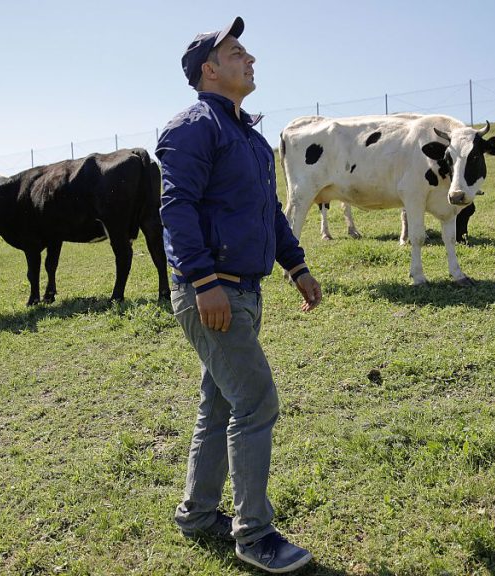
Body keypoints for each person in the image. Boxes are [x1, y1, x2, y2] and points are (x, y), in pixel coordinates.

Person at [156, 16, 322, 575]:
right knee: (256, 402)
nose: (250, 60)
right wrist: (203, 282)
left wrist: (297, 266)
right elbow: (175, 209)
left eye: (248, 53)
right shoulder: (192, 127)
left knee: (221, 403)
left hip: (245, 291)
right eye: (237, 53)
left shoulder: (248, 137)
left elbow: (268, 213)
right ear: (209, 69)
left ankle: (199, 515)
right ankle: (254, 536)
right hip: (214, 292)